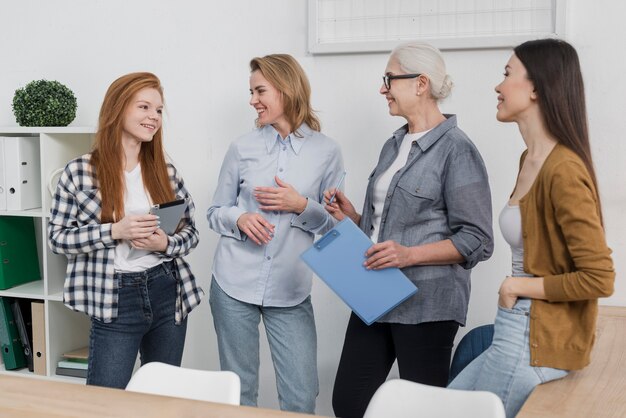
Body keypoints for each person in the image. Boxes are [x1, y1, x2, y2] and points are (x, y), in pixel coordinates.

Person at [448, 38, 615, 417]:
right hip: (515, 326)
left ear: (537, 87)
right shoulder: (531, 158)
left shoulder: (563, 170)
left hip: (534, 337)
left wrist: (515, 286)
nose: (498, 86)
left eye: (507, 74)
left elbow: (599, 278)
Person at [326, 41, 494, 418]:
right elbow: (388, 225)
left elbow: (478, 240)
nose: (382, 89)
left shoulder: (457, 149)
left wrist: (409, 255)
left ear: (421, 83)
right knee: (349, 403)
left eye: (389, 79)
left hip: (428, 305)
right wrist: (354, 219)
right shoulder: (394, 145)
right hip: (375, 296)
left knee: (422, 410)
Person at [207, 54, 344, 413]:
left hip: (291, 290)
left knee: (300, 396)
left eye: (260, 90)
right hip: (233, 283)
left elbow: (336, 229)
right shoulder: (242, 147)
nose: (252, 100)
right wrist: (239, 219)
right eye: (251, 91)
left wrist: (302, 205)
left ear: (286, 88)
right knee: (239, 393)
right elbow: (214, 211)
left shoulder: (327, 152)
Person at [48, 72, 203, 389]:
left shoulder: (166, 172)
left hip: (166, 292)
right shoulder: (79, 172)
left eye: (158, 110)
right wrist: (114, 231)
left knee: (163, 399)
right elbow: (57, 238)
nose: (153, 117)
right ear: (118, 108)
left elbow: (191, 234)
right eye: (144, 107)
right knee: (105, 403)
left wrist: (164, 243)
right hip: (115, 296)